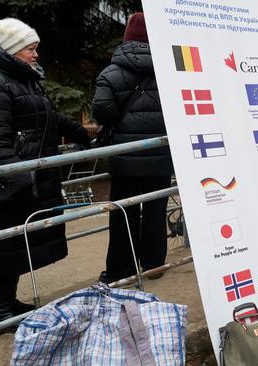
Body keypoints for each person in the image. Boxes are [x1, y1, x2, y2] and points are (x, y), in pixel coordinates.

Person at [0, 18, 91, 328]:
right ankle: (3, 311)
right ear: (11, 50)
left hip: (26, 182)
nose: (36, 55)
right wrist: (23, 180)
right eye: (31, 49)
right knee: (6, 244)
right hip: (9, 185)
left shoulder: (22, 80)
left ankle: (8, 305)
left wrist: (84, 133)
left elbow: (48, 117)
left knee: (16, 244)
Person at [92, 12, 173, 283]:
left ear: (127, 37)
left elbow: (103, 113)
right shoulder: (168, 70)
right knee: (154, 210)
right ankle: (153, 265)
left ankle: (121, 269)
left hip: (124, 158)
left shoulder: (110, 73)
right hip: (160, 156)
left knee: (122, 212)